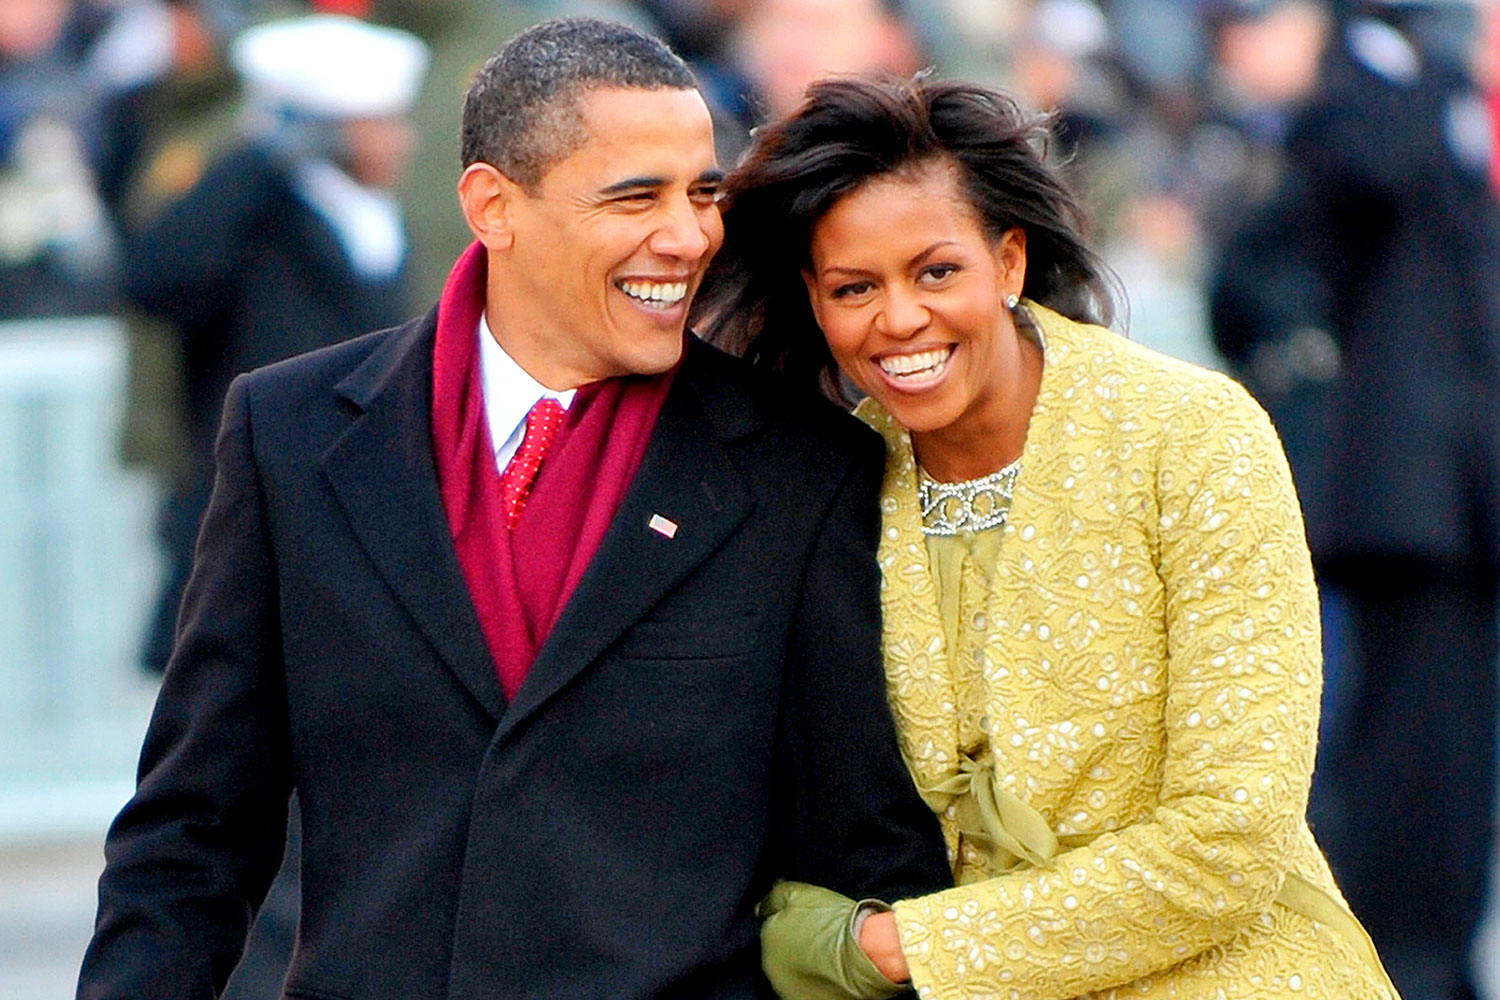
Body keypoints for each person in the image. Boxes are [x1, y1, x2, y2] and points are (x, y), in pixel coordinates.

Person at [77, 18, 949, 1000]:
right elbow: (193, 830)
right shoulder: (290, 434)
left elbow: (866, 855)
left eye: (703, 192)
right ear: (493, 206)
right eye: (636, 197)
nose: (688, 234)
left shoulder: (802, 468)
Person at [699, 73, 1400, 999]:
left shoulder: (1189, 435)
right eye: (854, 287)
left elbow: (1231, 838)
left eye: (936, 271)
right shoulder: (827, 477)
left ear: (1011, 262)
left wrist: (895, 951)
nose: (899, 318)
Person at [1210, 2, 1500, 996]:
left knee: (1452, 756)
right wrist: (1421, 57)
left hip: (1462, 497)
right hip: (1402, 499)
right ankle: (1398, 962)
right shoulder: (1377, 89)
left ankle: (1433, 957)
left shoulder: (1438, 108)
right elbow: (1361, 171)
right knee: (1398, 753)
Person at [128, 12, 429, 674]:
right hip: (256, 506)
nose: (401, 142)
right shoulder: (254, 215)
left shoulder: (370, 217)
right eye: (379, 123)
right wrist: (257, 164)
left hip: (351, 507)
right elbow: (154, 278)